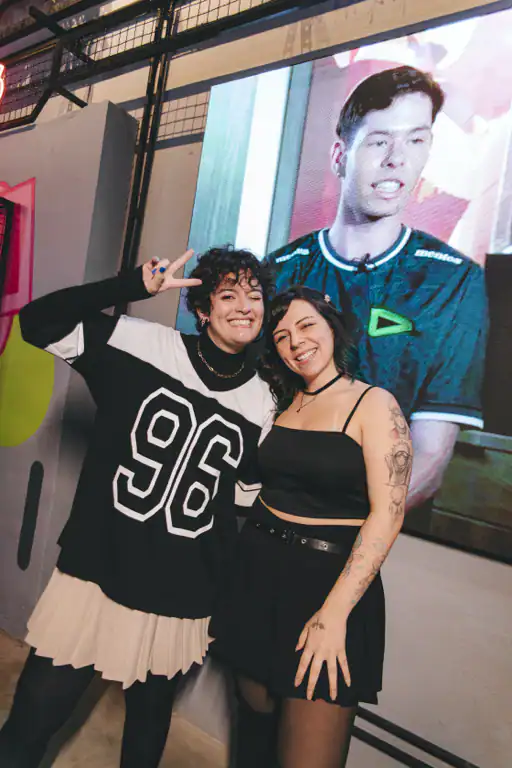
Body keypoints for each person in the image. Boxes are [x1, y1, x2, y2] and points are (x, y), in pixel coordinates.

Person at [0, 246, 274, 768]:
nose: (244, 306)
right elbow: (36, 323)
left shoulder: (265, 403)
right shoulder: (141, 343)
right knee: (31, 720)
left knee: (146, 733)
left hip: (181, 594)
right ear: (202, 310)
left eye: (254, 295)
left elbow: (240, 502)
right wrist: (128, 287)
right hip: (98, 572)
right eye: (228, 295)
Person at [267, 65, 488, 512]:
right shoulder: (278, 270)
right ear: (339, 156)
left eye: (416, 140)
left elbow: (430, 457)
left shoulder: (454, 282)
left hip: (361, 534)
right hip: (263, 519)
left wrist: (349, 531)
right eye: (379, 140)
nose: (397, 159)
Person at [211, 285, 412, 768]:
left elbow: (388, 513)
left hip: (327, 588)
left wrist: (334, 615)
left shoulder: (374, 403)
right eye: (281, 336)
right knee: (253, 739)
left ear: (333, 327)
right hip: (257, 576)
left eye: (306, 326)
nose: (295, 342)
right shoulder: (281, 402)